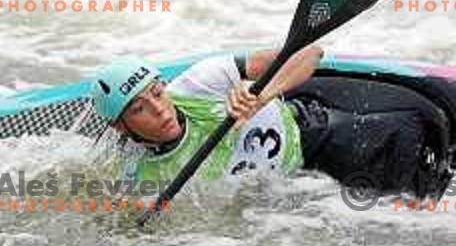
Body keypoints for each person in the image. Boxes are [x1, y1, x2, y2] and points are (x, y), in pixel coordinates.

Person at [91, 49, 454, 198]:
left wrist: (262, 93)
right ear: (121, 128)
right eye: (139, 109)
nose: (159, 109)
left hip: (313, 129)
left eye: (157, 92)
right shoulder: (143, 178)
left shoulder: (200, 83)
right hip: (292, 190)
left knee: (413, 134)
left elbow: (310, 53)